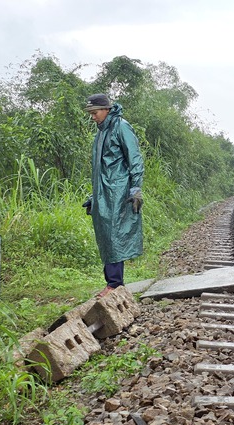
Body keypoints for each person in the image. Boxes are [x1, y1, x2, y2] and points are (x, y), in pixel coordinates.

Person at [84, 93, 144, 298]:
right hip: (104, 194)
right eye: (91, 113)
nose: (93, 117)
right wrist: (94, 196)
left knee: (114, 236)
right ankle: (112, 283)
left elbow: (134, 158)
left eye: (95, 112)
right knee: (106, 237)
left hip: (118, 191)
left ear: (107, 109)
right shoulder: (101, 133)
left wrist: (136, 188)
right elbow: (100, 168)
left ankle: (115, 284)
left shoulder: (121, 127)